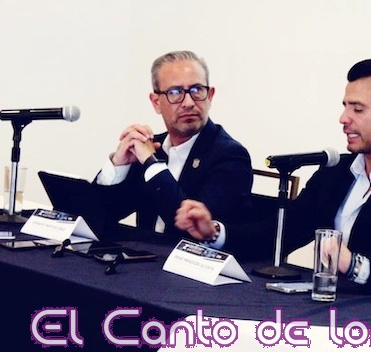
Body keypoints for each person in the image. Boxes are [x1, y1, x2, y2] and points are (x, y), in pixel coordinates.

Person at [175, 58, 371, 296]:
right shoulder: (336, 172)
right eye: (345, 106)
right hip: (326, 312)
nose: (343, 118)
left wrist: (357, 266)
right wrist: (215, 232)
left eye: (358, 109)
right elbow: (284, 232)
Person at [94, 50, 253, 240]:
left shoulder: (230, 156)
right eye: (175, 92)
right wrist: (119, 165)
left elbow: (192, 230)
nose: (188, 102)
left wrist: (151, 165)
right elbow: (100, 215)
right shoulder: (154, 147)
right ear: (156, 102)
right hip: (143, 256)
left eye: (197, 90)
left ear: (210, 96)